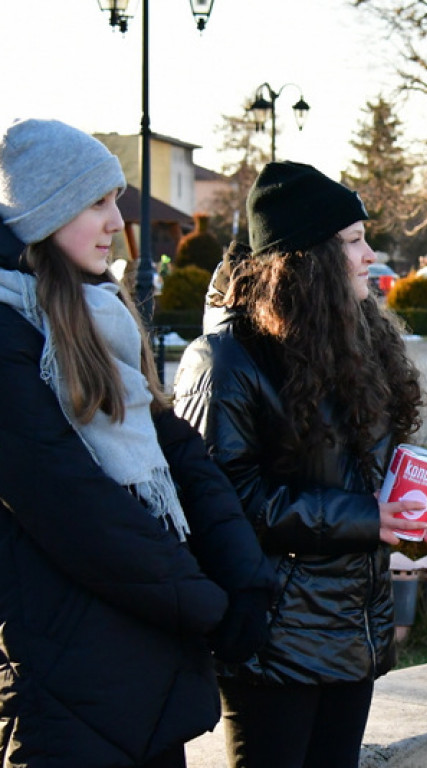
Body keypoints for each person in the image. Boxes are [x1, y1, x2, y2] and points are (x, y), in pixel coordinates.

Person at [0, 117, 274, 767]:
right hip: (67, 687)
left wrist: (245, 574)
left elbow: (177, 447)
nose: (114, 221)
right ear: (45, 212)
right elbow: (76, 508)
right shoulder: (9, 335)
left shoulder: (98, 316)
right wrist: (207, 602)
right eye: (96, 202)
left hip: (143, 672)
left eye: (114, 199)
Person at [173, 160, 427, 768]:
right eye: (352, 242)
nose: (371, 255)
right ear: (305, 260)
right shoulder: (226, 360)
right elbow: (224, 504)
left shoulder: (355, 340)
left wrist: (398, 499)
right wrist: (361, 517)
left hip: (352, 628)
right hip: (274, 637)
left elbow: (355, 470)